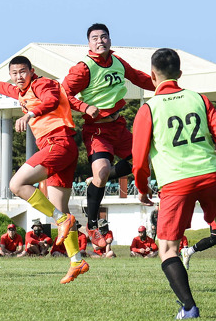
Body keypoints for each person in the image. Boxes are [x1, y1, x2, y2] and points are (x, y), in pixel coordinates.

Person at [132, 48, 216, 319]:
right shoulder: (199, 99)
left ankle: (189, 307)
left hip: (175, 181)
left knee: (167, 248)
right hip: (210, 173)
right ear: (180, 74)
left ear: (152, 76)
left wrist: (142, 187)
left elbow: (139, 160)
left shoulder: (148, 109)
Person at [0, 56, 86, 283]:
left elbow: (50, 101)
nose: (18, 77)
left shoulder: (42, 84)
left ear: (31, 71)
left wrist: (29, 114)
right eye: (14, 73)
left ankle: (61, 220)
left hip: (58, 143)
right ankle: (77, 261)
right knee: (61, 209)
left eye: (23, 72)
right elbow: (3, 88)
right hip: (63, 149)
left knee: (16, 184)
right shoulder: (21, 91)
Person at [62, 23, 155, 247]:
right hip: (97, 130)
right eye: (95, 38)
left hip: (119, 126)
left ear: (110, 41)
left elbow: (139, 78)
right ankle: (92, 225)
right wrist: (84, 107)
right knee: (102, 172)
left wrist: (164, 85)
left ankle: (94, 181)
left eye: (104, 37)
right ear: (89, 44)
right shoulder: (83, 68)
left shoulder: (118, 62)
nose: (100, 41)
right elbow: (63, 93)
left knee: (143, 162)